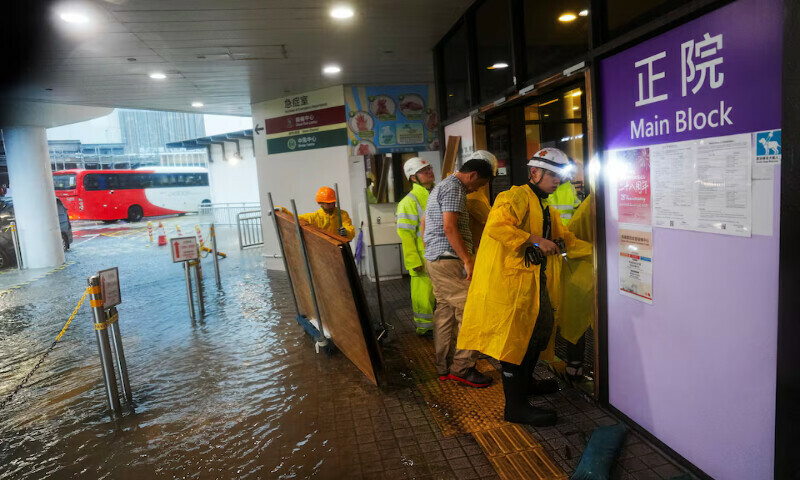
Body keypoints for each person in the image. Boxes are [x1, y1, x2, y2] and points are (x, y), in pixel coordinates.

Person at [457, 147, 591, 426]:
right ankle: (515, 408)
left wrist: (597, 251)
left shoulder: (545, 208)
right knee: (516, 345)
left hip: (534, 289)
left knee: (536, 339)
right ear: (535, 173)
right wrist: (533, 241)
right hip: (512, 290)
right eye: (552, 174)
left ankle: (526, 385)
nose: (557, 181)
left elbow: (564, 238)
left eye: (560, 175)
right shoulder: (514, 196)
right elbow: (498, 226)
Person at [423, 150, 497, 388]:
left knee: (445, 313)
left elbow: (426, 224)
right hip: (450, 259)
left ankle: (444, 367)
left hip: (435, 259)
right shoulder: (455, 187)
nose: (478, 190)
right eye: (481, 184)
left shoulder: (440, 186)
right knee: (473, 311)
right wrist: (467, 259)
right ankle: (462, 368)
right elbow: (449, 227)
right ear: (472, 175)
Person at [396, 157, 436, 335]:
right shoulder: (409, 202)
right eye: (424, 170)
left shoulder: (437, 193)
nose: (429, 171)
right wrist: (413, 261)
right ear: (413, 178)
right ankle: (425, 328)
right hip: (422, 257)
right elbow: (406, 235)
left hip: (439, 254)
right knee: (423, 295)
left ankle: (440, 326)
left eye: (429, 168)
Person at [559, 194, 595, 382]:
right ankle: (576, 363)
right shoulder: (596, 200)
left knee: (577, 315)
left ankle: (575, 363)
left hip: (581, 265)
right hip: (584, 265)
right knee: (578, 317)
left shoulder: (592, 200)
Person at [547, 160, 581, 225]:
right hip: (551, 229)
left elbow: (576, 205)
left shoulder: (570, 187)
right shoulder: (547, 186)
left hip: (567, 228)